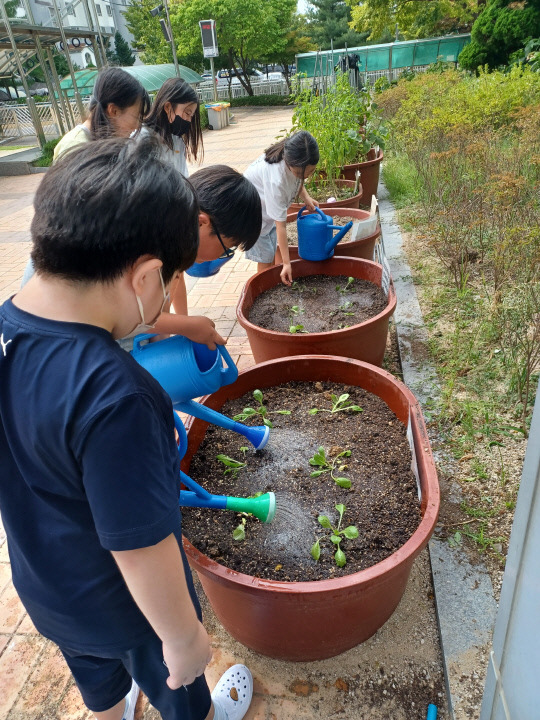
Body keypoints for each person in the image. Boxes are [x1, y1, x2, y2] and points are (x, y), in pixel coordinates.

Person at [0, 136, 253, 720]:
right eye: (166, 283)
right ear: (144, 277)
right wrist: (184, 638)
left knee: (102, 692)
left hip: (47, 591)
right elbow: (142, 548)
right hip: (129, 612)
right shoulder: (118, 394)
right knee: (181, 695)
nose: (164, 297)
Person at [244, 130, 319, 285]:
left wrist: (306, 198)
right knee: (265, 260)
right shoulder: (276, 179)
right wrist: (286, 263)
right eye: (300, 173)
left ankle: (268, 285)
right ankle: (262, 291)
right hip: (252, 217)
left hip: (265, 211)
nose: (306, 176)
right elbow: (281, 226)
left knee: (269, 254)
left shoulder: (293, 160)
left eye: (311, 171)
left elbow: (298, 181)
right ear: (289, 162)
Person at [53, 67, 150, 163]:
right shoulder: (74, 147)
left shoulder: (107, 142)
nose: (137, 126)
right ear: (113, 111)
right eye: (137, 117)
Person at [142, 77, 204, 177]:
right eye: (187, 113)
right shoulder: (143, 138)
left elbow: (183, 177)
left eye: (191, 116)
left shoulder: (177, 140)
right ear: (167, 107)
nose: (189, 120)